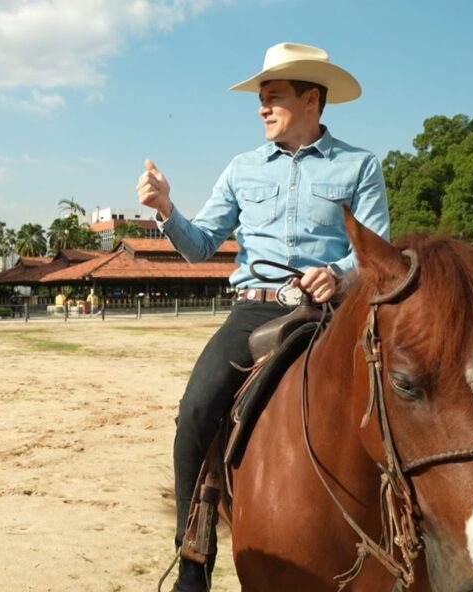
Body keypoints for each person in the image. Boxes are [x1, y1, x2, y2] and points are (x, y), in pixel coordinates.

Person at [136, 42, 390, 591]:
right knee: (195, 410)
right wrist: (165, 210)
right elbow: (201, 245)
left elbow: (376, 249)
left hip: (333, 312)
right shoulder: (241, 168)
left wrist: (341, 275)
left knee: (403, 401)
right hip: (254, 312)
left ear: (312, 99)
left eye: (272, 96)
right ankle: (192, 560)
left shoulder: (361, 165)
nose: (261, 108)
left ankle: (410, 529)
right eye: (261, 98)